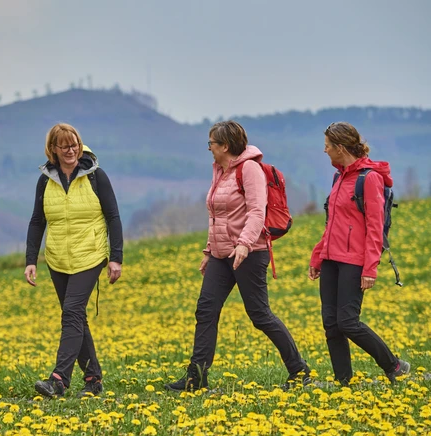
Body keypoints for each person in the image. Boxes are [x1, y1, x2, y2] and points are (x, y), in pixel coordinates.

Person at [165, 120, 310, 392]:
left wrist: (244, 243)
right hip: (221, 255)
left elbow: (256, 211)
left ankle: (299, 370)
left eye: (211, 143)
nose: (208, 148)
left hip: (249, 253)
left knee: (259, 315)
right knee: (206, 310)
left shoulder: (249, 169)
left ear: (225, 146)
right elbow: (217, 216)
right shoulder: (220, 171)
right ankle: (196, 377)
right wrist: (209, 250)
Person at [25, 123, 123, 398]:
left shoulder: (95, 176)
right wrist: (31, 259)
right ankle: (93, 379)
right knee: (76, 316)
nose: (71, 150)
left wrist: (116, 258)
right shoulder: (46, 180)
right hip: (57, 258)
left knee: (71, 312)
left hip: (90, 255)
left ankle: (59, 380)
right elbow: (37, 221)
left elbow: (113, 217)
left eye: (75, 145)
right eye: (65, 146)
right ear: (53, 149)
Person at [309, 121, 410, 386]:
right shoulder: (339, 177)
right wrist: (318, 256)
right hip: (330, 259)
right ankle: (343, 381)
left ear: (340, 148)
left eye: (328, 146)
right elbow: (332, 222)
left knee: (348, 322)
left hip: (353, 261)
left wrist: (370, 268)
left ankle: (394, 365)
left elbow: (375, 227)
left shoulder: (369, 178)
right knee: (331, 324)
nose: (325, 150)